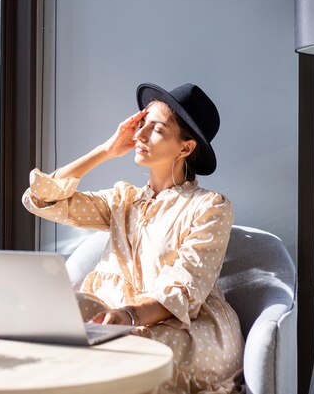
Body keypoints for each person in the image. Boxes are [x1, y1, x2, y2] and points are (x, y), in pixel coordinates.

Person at [22, 82, 244, 394]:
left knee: (123, 353)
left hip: (185, 329)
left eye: (156, 129)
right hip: (118, 316)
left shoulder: (210, 206)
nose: (139, 135)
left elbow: (182, 286)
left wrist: (129, 314)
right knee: (53, 319)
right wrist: (106, 150)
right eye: (141, 124)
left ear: (186, 147)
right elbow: (43, 198)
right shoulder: (121, 201)